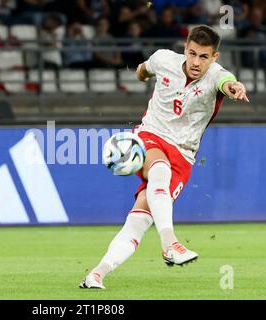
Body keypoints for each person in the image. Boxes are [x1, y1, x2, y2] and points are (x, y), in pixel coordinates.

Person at [80, 25, 249, 289]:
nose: (196, 62)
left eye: (204, 57)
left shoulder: (217, 74)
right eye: (192, 53)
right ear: (185, 48)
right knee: (160, 168)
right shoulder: (164, 59)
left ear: (214, 57)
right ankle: (169, 242)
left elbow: (226, 83)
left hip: (183, 154)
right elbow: (143, 69)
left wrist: (234, 87)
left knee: (140, 219)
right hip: (150, 135)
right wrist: (142, 73)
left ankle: (96, 275)